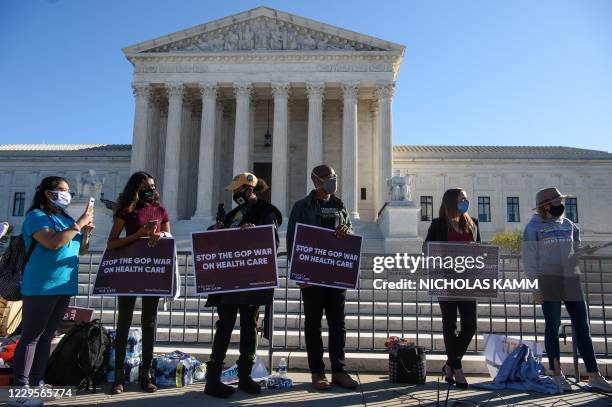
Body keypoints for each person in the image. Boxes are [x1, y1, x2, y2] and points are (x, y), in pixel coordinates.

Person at [11, 176, 94, 407]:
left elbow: (79, 250)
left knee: (47, 336)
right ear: (48, 193)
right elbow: (52, 243)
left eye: (69, 191)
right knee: (31, 337)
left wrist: (85, 233)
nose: (67, 195)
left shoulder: (64, 218)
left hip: (63, 285)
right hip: (40, 285)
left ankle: (37, 382)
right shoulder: (36, 217)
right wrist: (78, 224)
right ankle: (20, 389)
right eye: (63, 190)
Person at [523, 187, 612, 393]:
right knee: (552, 327)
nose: (561, 204)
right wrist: (535, 286)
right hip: (548, 279)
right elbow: (529, 259)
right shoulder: (533, 226)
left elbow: (575, 248)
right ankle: (557, 375)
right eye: (557, 201)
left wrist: (584, 250)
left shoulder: (569, 224)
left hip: (571, 278)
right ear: (546, 205)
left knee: (582, 326)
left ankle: (594, 376)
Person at [204, 172, 282, 398]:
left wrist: (253, 235)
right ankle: (213, 378)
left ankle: (245, 376)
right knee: (224, 326)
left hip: (251, 280)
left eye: (238, 192)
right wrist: (214, 231)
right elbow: (215, 241)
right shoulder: (233, 215)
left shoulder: (266, 212)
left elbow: (271, 243)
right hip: (228, 281)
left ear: (249, 190)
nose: (235, 196)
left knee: (250, 327)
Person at [287, 164, 358, 391]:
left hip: (336, 274)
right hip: (312, 274)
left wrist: (348, 231)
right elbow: (292, 239)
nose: (332, 181)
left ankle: (339, 370)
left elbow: (349, 230)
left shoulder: (339, 204)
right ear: (316, 180)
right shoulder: (302, 207)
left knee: (338, 324)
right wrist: (297, 272)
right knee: (313, 325)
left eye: (334, 177)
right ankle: (317, 372)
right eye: (328, 178)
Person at [107, 171, 171, 395]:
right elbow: (112, 242)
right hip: (129, 270)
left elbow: (168, 237)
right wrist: (139, 235)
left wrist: (160, 236)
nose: (151, 189)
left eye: (153, 186)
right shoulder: (126, 211)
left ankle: (147, 373)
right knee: (123, 322)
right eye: (146, 186)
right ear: (135, 188)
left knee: (149, 323)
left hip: (151, 271)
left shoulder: (161, 210)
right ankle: (119, 376)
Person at [423, 188, 479, 389]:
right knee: (450, 324)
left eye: (466, 198)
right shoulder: (438, 225)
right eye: (461, 198)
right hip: (445, 279)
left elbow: (479, 251)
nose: (465, 201)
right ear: (450, 202)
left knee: (470, 325)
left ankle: (449, 364)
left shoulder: (472, 223)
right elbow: (427, 249)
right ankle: (457, 369)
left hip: (467, 281)